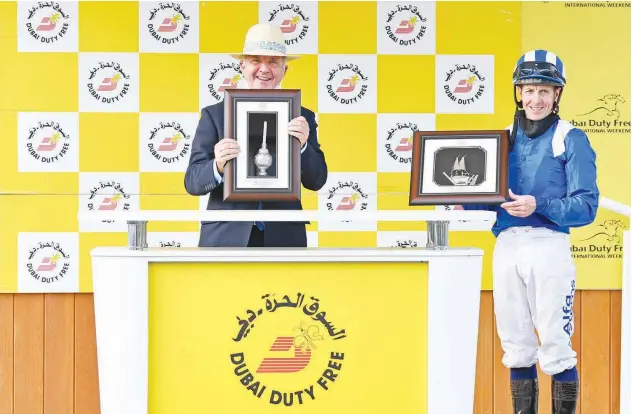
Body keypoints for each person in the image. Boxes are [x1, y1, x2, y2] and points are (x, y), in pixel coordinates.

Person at [459, 50, 599, 413]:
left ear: (557, 95)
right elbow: (490, 198)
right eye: (530, 89)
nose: (536, 99)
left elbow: (586, 206)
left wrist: (540, 205)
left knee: (555, 342)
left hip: (548, 245)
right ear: (518, 92)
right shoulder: (499, 139)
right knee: (516, 343)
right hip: (506, 244)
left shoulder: (572, 138)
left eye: (545, 91)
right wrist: (459, 200)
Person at [184, 24, 328, 247]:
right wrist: (218, 165)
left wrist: (303, 146)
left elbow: (317, 180)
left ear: (284, 70)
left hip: (284, 238)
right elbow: (192, 182)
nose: (264, 68)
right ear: (242, 66)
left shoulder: (302, 118)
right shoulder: (215, 115)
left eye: (273, 62)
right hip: (225, 237)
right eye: (255, 60)